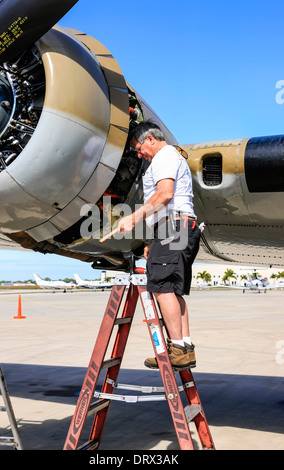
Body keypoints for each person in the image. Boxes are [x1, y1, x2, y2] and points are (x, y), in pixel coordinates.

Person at [117, 120, 200, 369]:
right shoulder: (170, 157)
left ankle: (176, 348)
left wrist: (133, 217)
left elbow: (165, 194)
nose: (140, 154)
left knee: (163, 288)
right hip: (178, 229)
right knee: (173, 291)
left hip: (173, 229)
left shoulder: (163, 156)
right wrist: (154, 239)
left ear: (150, 139)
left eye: (140, 148)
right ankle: (184, 346)